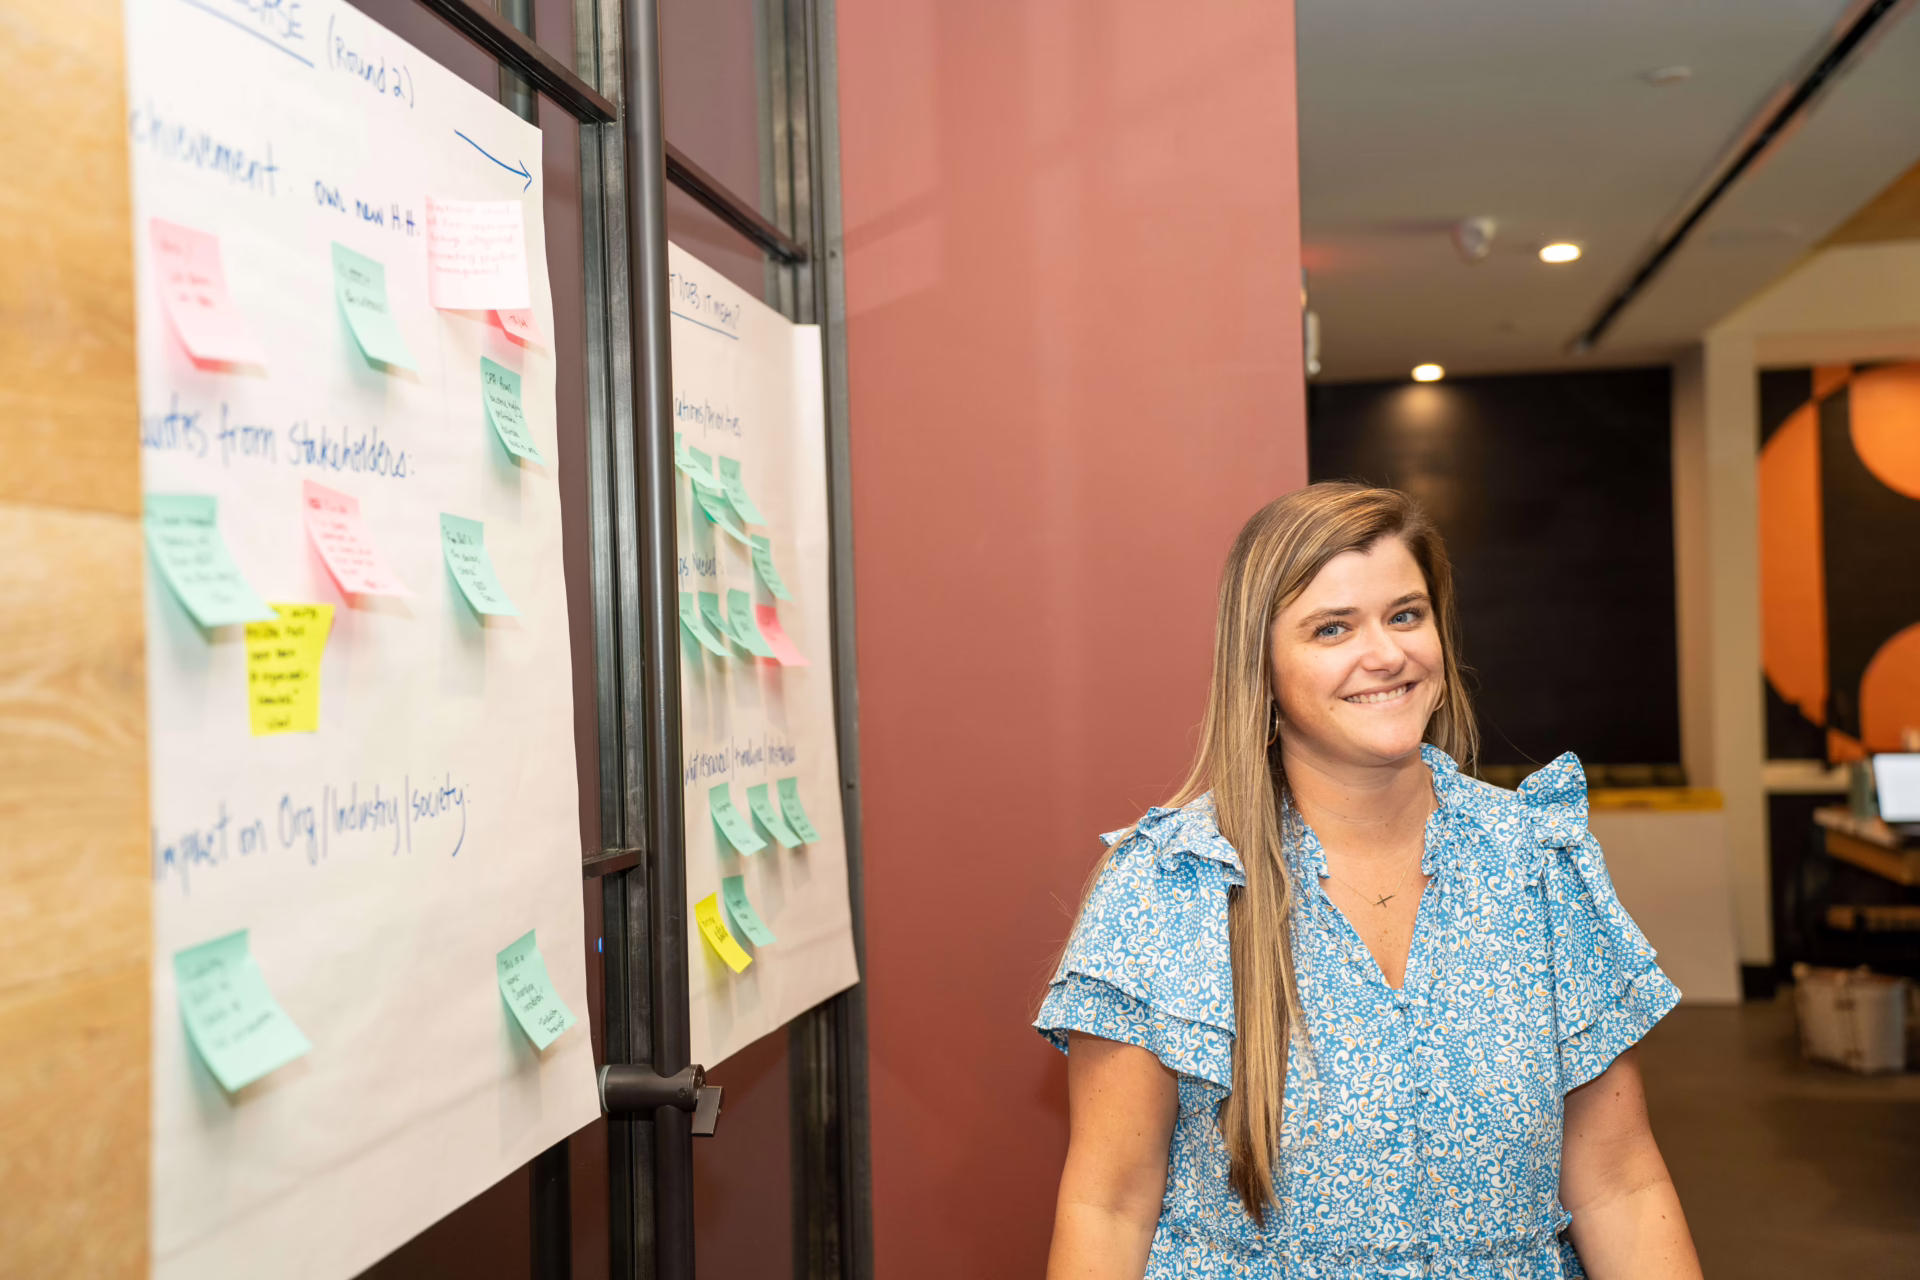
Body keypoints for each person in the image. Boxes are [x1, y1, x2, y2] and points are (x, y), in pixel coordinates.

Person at [1036, 484, 1701, 1279]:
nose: (1385, 655)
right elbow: (1107, 1209)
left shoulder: (1535, 862)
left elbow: (1619, 1186)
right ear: (1263, 666)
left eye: (1406, 615)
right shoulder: (1168, 889)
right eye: (1332, 628)